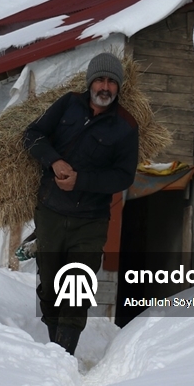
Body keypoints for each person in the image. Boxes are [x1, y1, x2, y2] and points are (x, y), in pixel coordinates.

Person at [23, 52, 139, 355]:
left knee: (76, 288)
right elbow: (32, 135)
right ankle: (54, 351)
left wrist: (81, 180)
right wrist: (54, 160)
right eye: (100, 79)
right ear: (90, 82)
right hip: (50, 211)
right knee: (49, 288)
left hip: (90, 220)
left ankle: (63, 357)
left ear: (118, 87)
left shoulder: (125, 127)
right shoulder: (68, 105)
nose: (105, 87)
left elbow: (123, 177)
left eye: (111, 82)